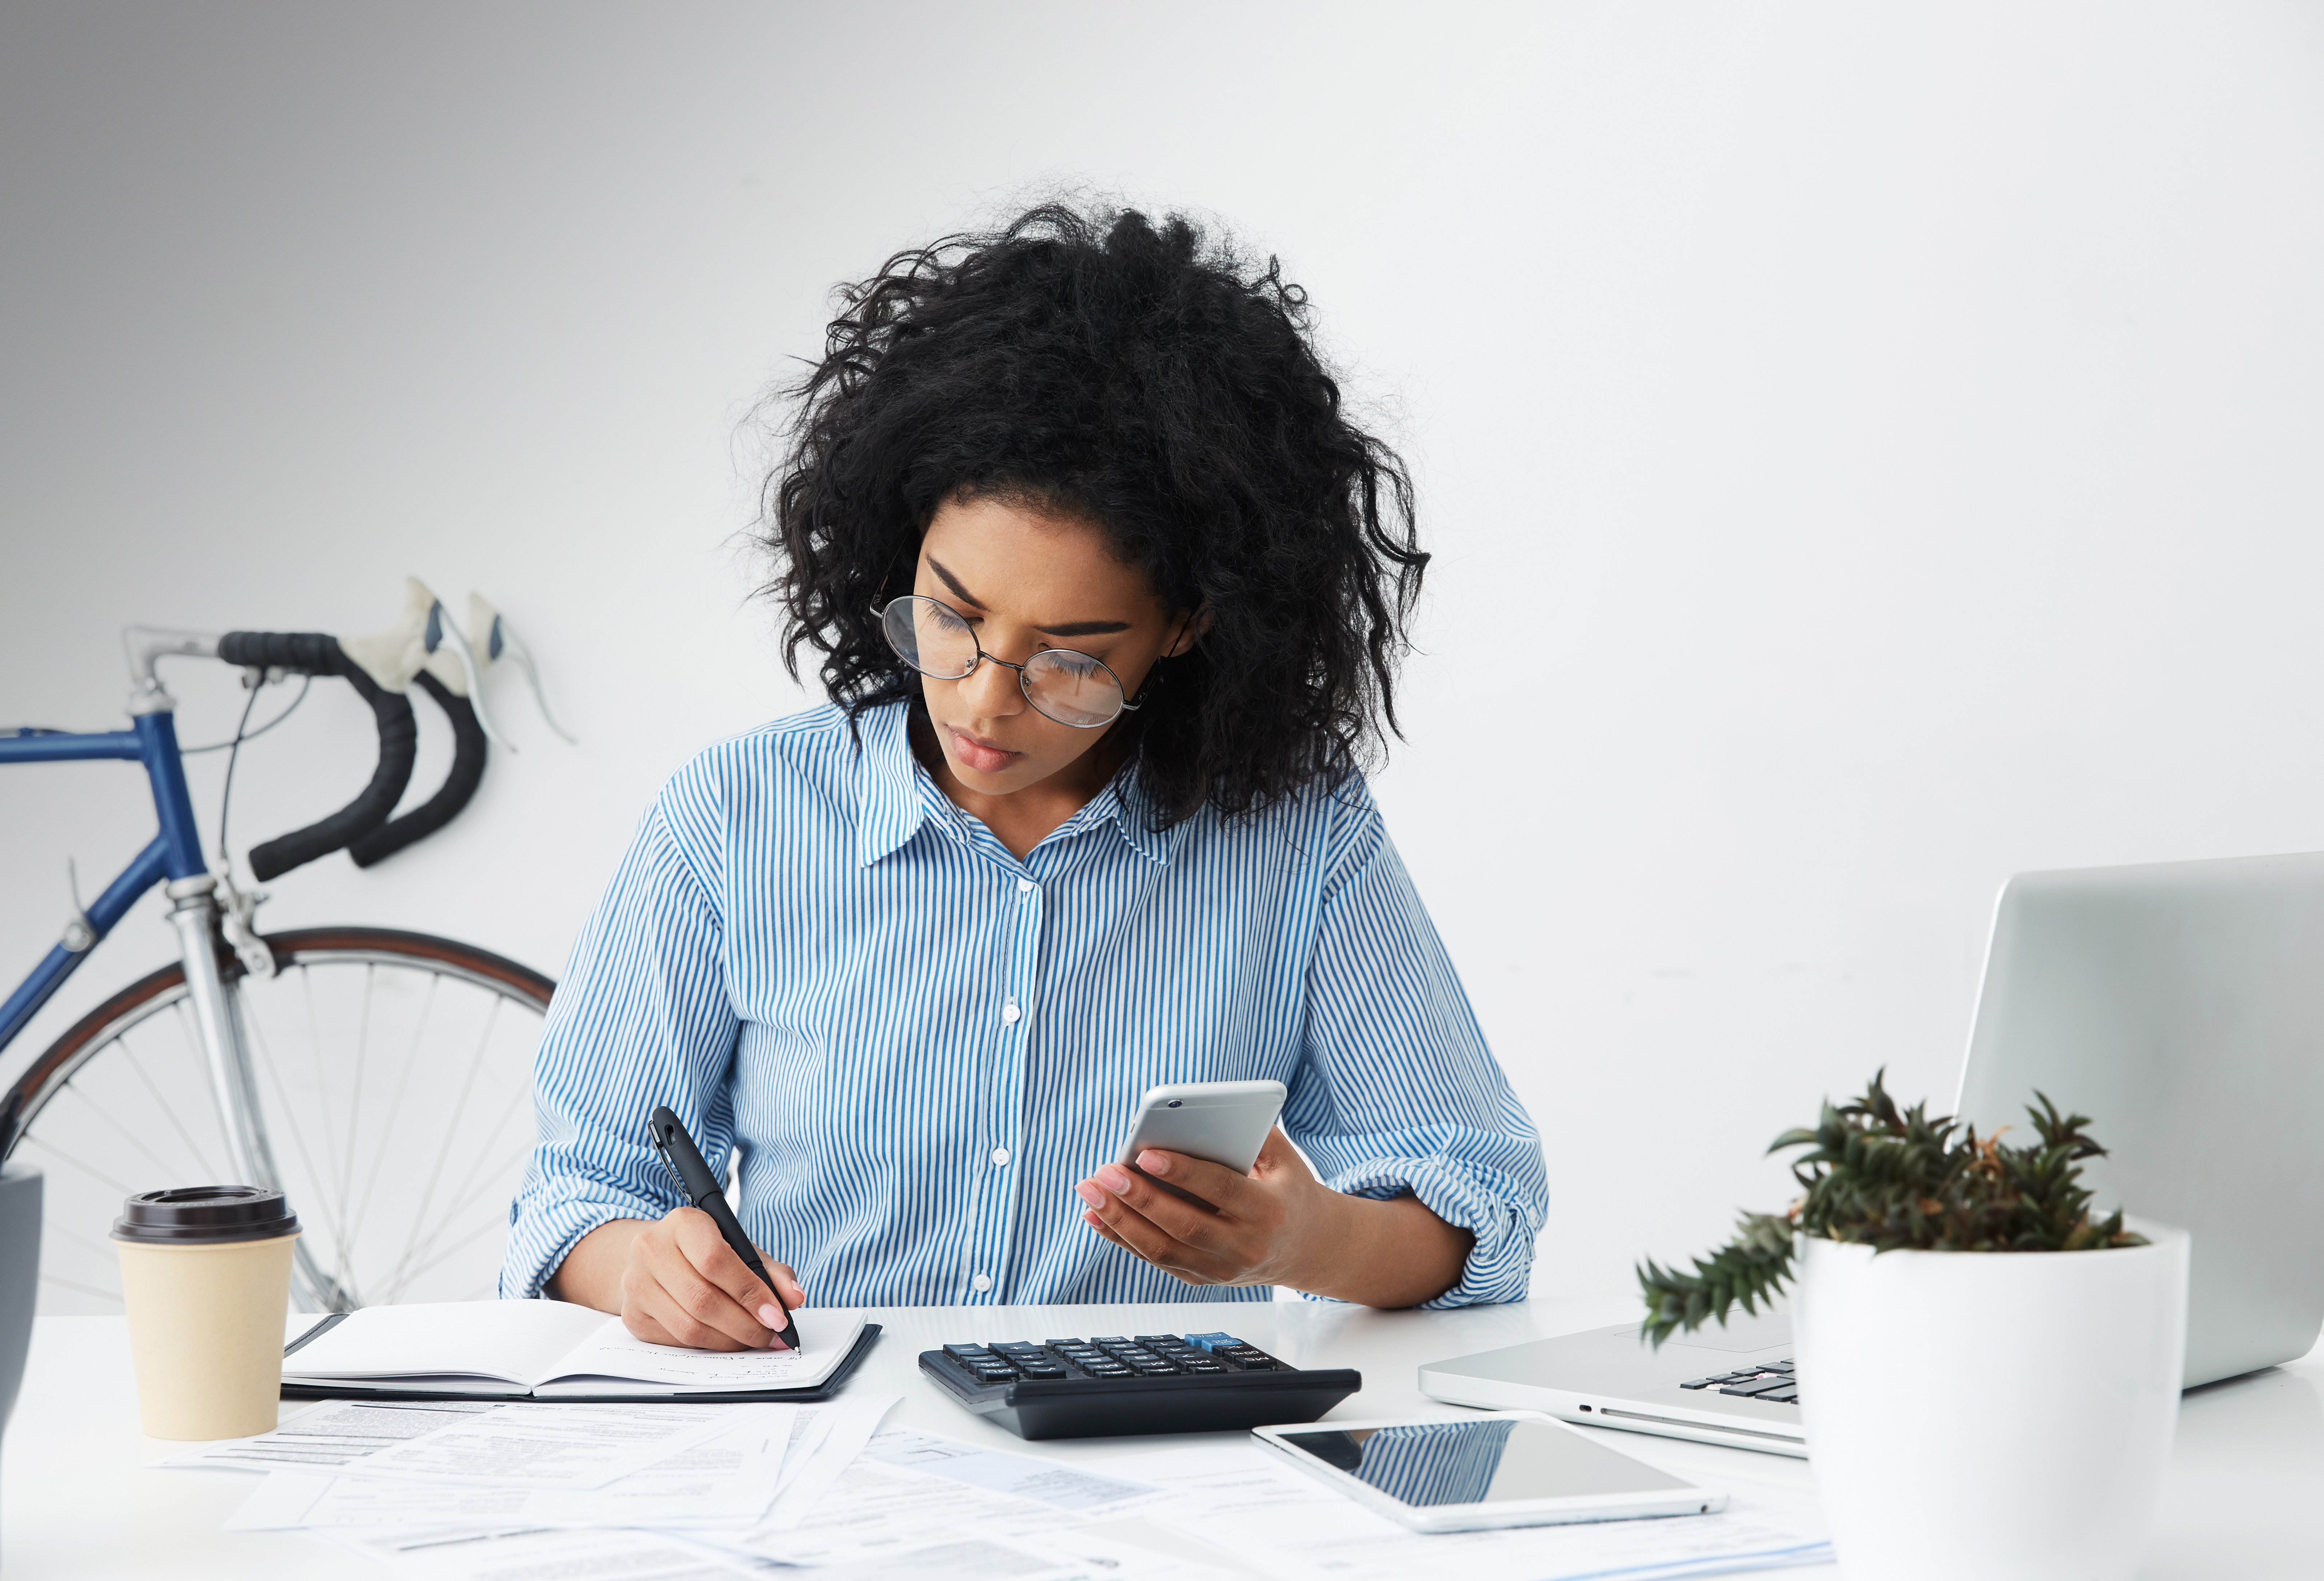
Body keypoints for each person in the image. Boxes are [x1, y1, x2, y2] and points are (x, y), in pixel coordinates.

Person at [502, 203, 1546, 1349]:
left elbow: (1478, 1202)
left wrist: (1302, 1243)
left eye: (1070, 661)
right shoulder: (738, 818)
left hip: (1159, 1471)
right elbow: (575, 1196)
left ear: (1190, 627)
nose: (985, 698)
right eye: (950, 615)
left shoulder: (1297, 838)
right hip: (831, 1463)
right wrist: (643, 1267)